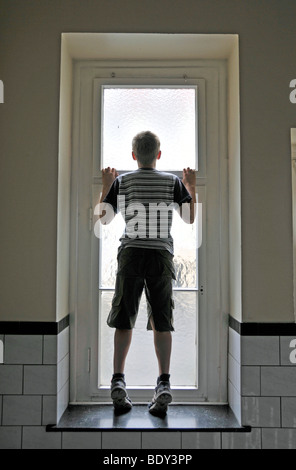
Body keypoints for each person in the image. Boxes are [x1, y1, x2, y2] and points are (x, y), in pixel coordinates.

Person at [98, 131, 196, 415]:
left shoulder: (123, 181)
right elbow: (190, 217)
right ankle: (164, 383)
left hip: (131, 253)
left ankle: (118, 379)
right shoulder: (172, 181)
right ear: (159, 155)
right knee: (162, 320)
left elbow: (103, 220)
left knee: (124, 318)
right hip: (160, 255)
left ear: (133, 156)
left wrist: (105, 186)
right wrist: (191, 185)